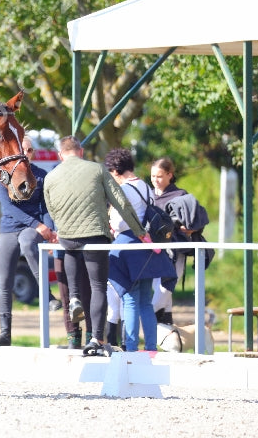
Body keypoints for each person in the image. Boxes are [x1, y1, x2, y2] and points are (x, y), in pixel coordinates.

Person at [43, 136, 146, 357]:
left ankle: (74, 299)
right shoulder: (97, 170)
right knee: (98, 287)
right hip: (95, 236)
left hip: (68, 239)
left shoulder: (51, 176)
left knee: (75, 289)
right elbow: (120, 201)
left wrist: (64, 227)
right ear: (81, 152)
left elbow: (51, 210)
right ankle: (96, 339)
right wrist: (140, 231)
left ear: (61, 155)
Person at [104, 148, 177, 352]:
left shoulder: (124, 190)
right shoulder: (146, 187)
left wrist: (112, 224)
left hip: (128, 247)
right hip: (148, 247)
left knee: (129, 299)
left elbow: (119, 223)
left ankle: (132, 348)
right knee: (145, 300)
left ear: (116, 171)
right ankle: (152, 348)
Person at [0, 136, 58, 347]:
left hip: (31, 228)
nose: (25, 154)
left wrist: (49, 231)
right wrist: (38, 225)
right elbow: (9, 208)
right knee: (5, 282)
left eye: (28, 150)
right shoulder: (2, 175)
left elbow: (46, 208)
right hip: (11, 228)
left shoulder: (41, 175)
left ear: (32, 153)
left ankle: (47, 296)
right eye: (22, 150)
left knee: (29, 244)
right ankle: (4, 334)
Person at [149, 157, 211, 325]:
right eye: (153, 176)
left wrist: (188, 228)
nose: (155, 180)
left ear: (170, 175)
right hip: (151, 253)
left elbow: (195, 221)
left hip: (174, 253)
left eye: (159, 176)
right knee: (162, 296)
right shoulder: (148, 196)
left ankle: (148, 323)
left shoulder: (181, 196)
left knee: (163, 292)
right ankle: (166, 336)